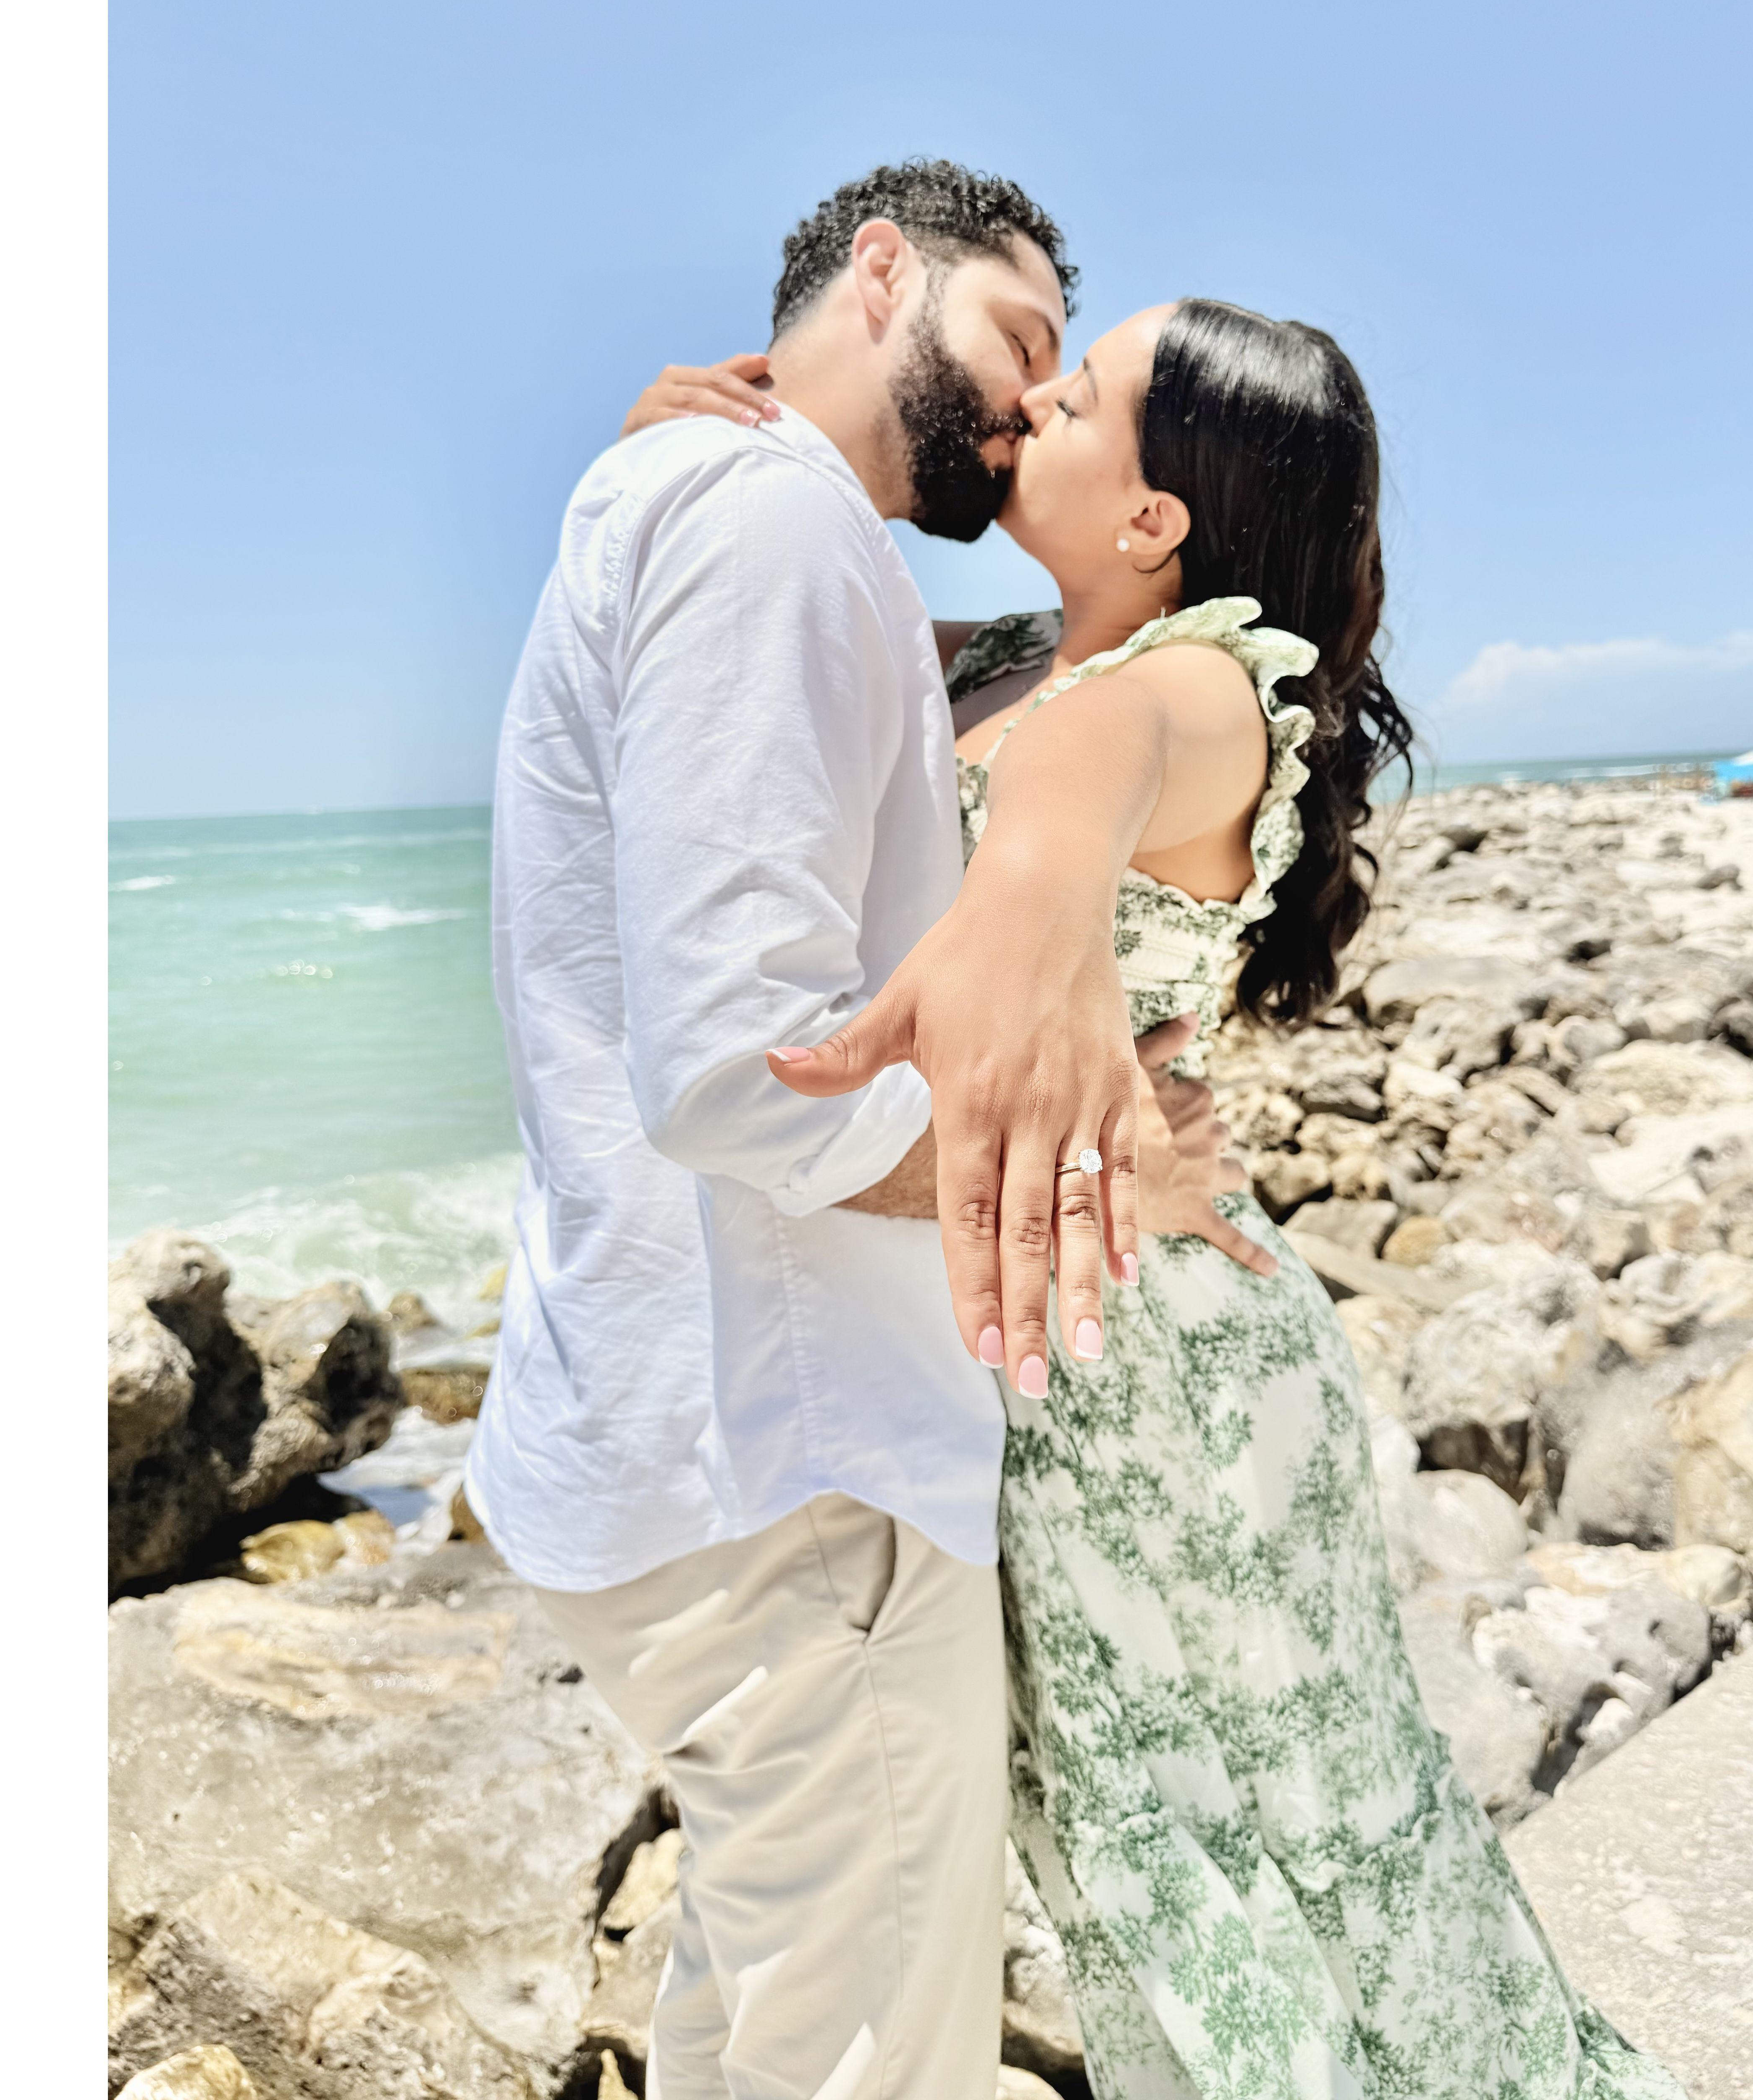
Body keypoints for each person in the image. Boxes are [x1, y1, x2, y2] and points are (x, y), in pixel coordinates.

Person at [625, 301, 1685, 2095]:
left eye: (1085, 390)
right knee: (1167, 1848)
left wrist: (1026, 914)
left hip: (1165, 1373)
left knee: (1273, 1846)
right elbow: (778, 629)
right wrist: (694, 456)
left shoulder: (1199, 691)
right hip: (1066, 1353)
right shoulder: (1004, 657)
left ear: (1155, 520)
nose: (1036, 396)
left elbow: (1079, 782)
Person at [467, 163, 1268, 2100]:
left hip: (678, 1437)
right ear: (883, 272)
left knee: (760, 2007)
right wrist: (1095, 1173)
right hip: (791, 1471)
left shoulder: (712, 511)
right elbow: (747, 1072)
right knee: (866, 2061)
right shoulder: (769, 524)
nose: (1031, 400)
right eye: (1020, 339)